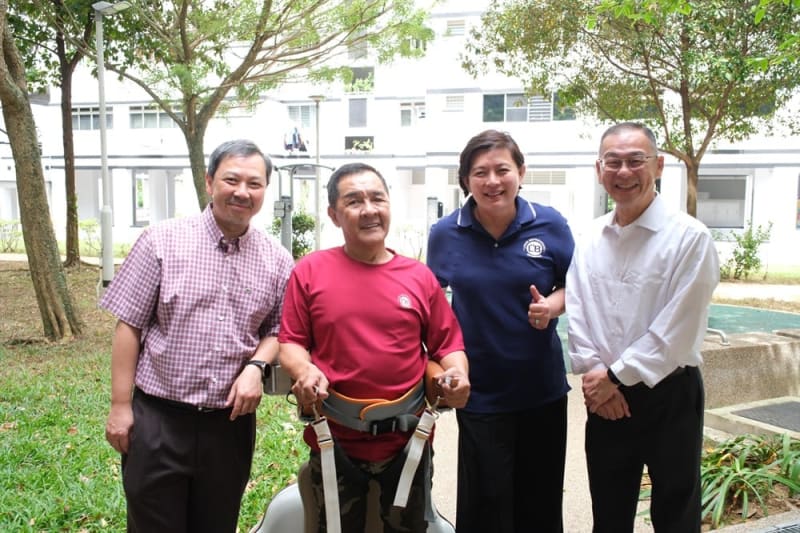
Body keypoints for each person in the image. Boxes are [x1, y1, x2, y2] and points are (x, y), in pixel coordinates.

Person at [101, 139, 295, 532]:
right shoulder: (161, 241)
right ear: (209, 182)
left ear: (264, 191)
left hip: (229, 425)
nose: (242, 192)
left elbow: (276, 330)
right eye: (232, 180)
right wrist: (121, 406)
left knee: (216, 523)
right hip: (158, 418)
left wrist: (256, 367)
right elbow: (129, 325)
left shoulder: (276, 258)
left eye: (254, 184)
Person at [278, 162, 470, 533]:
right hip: (333, 442)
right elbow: (292, 342)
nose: (369, 209)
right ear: (334, 215)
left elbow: (448, 346)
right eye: (354, 201)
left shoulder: (419, 277)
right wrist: (304, 370)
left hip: (408, 443)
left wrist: (458, 375)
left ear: (389, 205)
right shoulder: (310, 271)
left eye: (377, 198)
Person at [567, 122, 719, 533]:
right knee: (609, 511)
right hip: (605, 395)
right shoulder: (589, 236)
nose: (624, 172)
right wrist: (598, 375)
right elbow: (578, 310)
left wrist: (616, 376)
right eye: (613, 162)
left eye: (636, 160)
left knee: (675, 510)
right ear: (599, 169)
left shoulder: (689, 238)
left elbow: (678, 328)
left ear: (659, 166)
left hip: (670, 393)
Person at [426, 129, 575, 533]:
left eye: (502, 170)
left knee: (540, 502)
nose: (493, 181)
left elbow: (572, 285)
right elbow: (432, 302)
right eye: (480, 172)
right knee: (485, 503)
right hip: (480, 392)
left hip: (541, 389)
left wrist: (551, 306)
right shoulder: (445, 233)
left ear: (521, 172)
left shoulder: (550, 224)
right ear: (465, 181)